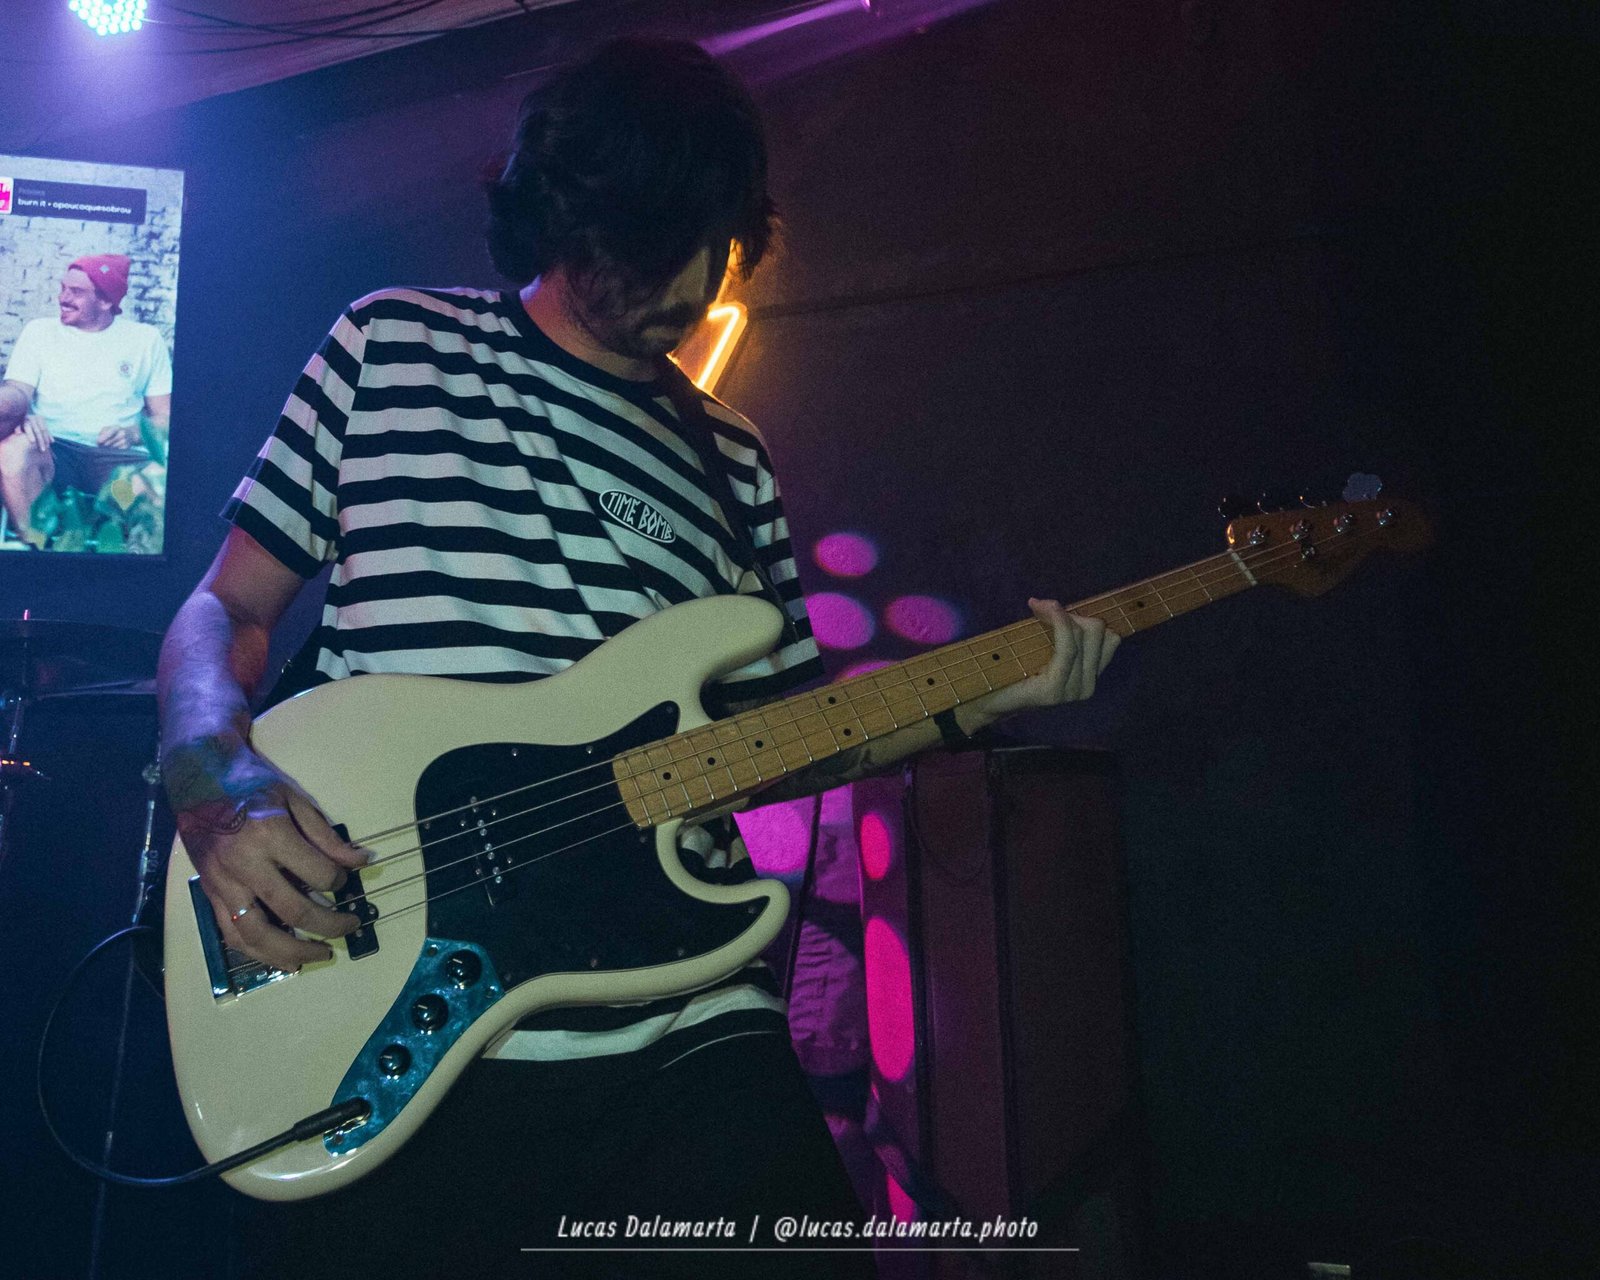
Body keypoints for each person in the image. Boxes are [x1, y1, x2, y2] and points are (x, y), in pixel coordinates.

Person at [156, 38, 1118, 1279]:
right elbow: (227, 605)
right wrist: (210, 773)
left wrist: (982, 694)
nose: (687, 282)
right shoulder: (387, 344)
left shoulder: (732, 457)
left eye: (711, 243)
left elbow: (784, 741)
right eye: (651, 241)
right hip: (409, 999)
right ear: (559, 211)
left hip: (683, 1011)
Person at [0, 253, 173, 545]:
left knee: (158, 481)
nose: (63, 298)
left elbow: (164, 418)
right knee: (12, 453)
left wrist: (132, 433)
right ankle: (37, 549)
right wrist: (23, 415)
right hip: (54, 451)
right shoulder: (39, 332)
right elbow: (17, 392)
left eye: (76, 292)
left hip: (115, 466)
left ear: (105, 301)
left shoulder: (145, 340)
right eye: (63, 288)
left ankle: (122, 559)